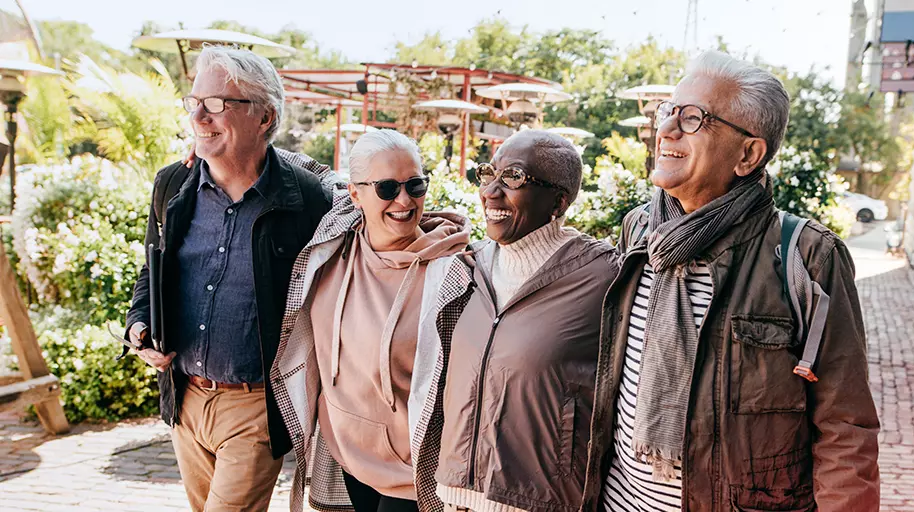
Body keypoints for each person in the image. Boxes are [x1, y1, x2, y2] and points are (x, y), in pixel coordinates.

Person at [579, 50, 881, 512]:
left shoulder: (807, 256)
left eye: (693, 118)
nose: (667, 129)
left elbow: (845, 427)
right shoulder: (640, 230)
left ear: (748, 154)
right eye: (667, 111)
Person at [123, 46, 333, 511]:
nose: (198, 116)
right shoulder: (172, 184)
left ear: (264, 117)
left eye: (217, 104)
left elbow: (368, 205)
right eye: (194, 102)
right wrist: (139, 326)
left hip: (255, 406)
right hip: (184, 399)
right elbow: (152, 271)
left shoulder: (308, 199)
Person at [411, 130, 619, 512]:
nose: (491, 191)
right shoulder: (471, 266)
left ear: (558, 201)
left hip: (537, 502)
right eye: (489, 173)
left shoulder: (604, 276)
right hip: (455, 496)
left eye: (514, 178)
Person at [271, 129, 471, 512]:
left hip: (414, 469)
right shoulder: (336, 239)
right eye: (387, 188)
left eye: (415, 185)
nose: (404, 200)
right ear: (355, 194)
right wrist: (212, 150)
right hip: (348, 455)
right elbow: (298, 164)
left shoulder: (453, 273)